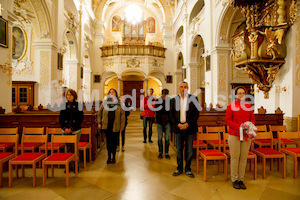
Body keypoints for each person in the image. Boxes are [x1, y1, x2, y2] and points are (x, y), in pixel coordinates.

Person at [225, 87, 255, 190]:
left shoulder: (248, 106)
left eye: (243, 93)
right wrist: (239, 127)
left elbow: (252, 120)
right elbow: (228, 120)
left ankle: (241, 179)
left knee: (243, 158)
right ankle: (234, 179)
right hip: (234, 135)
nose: (241, 95)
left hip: (246, 135)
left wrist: (249, 126)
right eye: (239, 93)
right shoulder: (231, 106)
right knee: (235, 158)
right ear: (236, 95)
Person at [170, 82, 199, 178]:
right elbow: (171, 114)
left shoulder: (193, 99)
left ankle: (188, 169)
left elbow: (196, 114)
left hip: (189, 128)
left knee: (189, 151)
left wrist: (187, 124)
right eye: (181, 87)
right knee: (179, 150)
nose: (183, 88)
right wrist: (177, 124)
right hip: (178, 128)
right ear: (179, 88)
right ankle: (179, 168)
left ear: (188, 88)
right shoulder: (174, 100)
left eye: (185, 87)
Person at [97, 88, 125, 164]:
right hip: (107, 125)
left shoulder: (119, 103)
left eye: (113, 92)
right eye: (110, 92)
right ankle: (109, 156)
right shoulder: (105, 102)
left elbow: (123, 116)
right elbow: (99, 113)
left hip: (116, 125)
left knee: (114, 142)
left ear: (116, 94)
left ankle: (114, 156)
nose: (112, 93)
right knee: (108, 142)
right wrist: (99, 122)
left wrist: (122, 127)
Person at [59, 89, 84, 172]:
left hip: (75, 130)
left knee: (74, 148)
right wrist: (65, 128)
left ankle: (76, 166)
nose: (68, 96)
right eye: (67, 95)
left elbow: (80, 119)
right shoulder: (64, 105)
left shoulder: (78, 105)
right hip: (65, 130)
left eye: (70, 95)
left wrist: (72, 128)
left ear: (74, 96)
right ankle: (68, 165)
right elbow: (61, 118)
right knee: (67, 148)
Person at [155, 89, 171, 159]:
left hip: (167, 121)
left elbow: (170, 110)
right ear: (161, 95)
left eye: (166, 95)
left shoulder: (170, 101)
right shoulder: (158, 100)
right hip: (160, 121)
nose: (165, 97)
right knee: (160, 138)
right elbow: (157, 110)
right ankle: (160, 152)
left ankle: (166, 152)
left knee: (167, 138)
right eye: (164, 95)